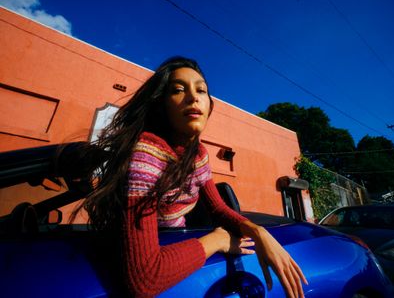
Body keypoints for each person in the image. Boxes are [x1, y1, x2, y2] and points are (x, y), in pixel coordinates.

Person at [75, 56, 307, 297]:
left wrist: (259, 232)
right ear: (161, 104)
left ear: (209, 104)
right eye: (178, 90)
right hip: (158, 256)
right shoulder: (146, 155)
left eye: (201, 90)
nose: (193, 97)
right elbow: (144, 280)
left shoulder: (199, 155)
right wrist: (216, 240)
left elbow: (217, 208)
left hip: (178, 244)